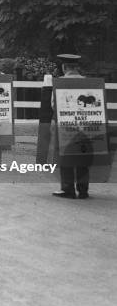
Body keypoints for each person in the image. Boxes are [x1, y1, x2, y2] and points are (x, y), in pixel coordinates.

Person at [52, 54, 90, 199]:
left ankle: (68, 189)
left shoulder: (59, 82)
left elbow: (54, 105)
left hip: (66, 125)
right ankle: (83, 190)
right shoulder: (88, 82)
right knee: (82, 154)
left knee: (66, 155)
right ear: (77, 67)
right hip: (85, 125)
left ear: (64, 67)